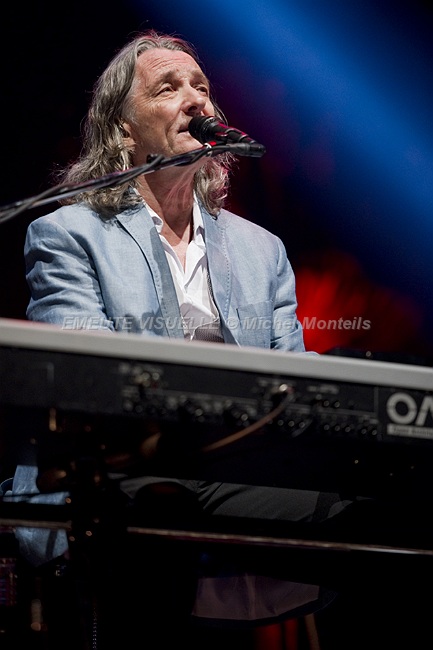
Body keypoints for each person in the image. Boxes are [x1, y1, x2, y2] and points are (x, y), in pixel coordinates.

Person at [9, 29, 414, 650]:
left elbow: (296, 390)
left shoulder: (261, 250)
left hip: (238, 472)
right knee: (159, 509)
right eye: (167, 88)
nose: (196, 99)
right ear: (123, 130)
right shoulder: (69, 233)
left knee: (380, 521)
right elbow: (86, 384)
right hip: (118, 476)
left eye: (201, 87)